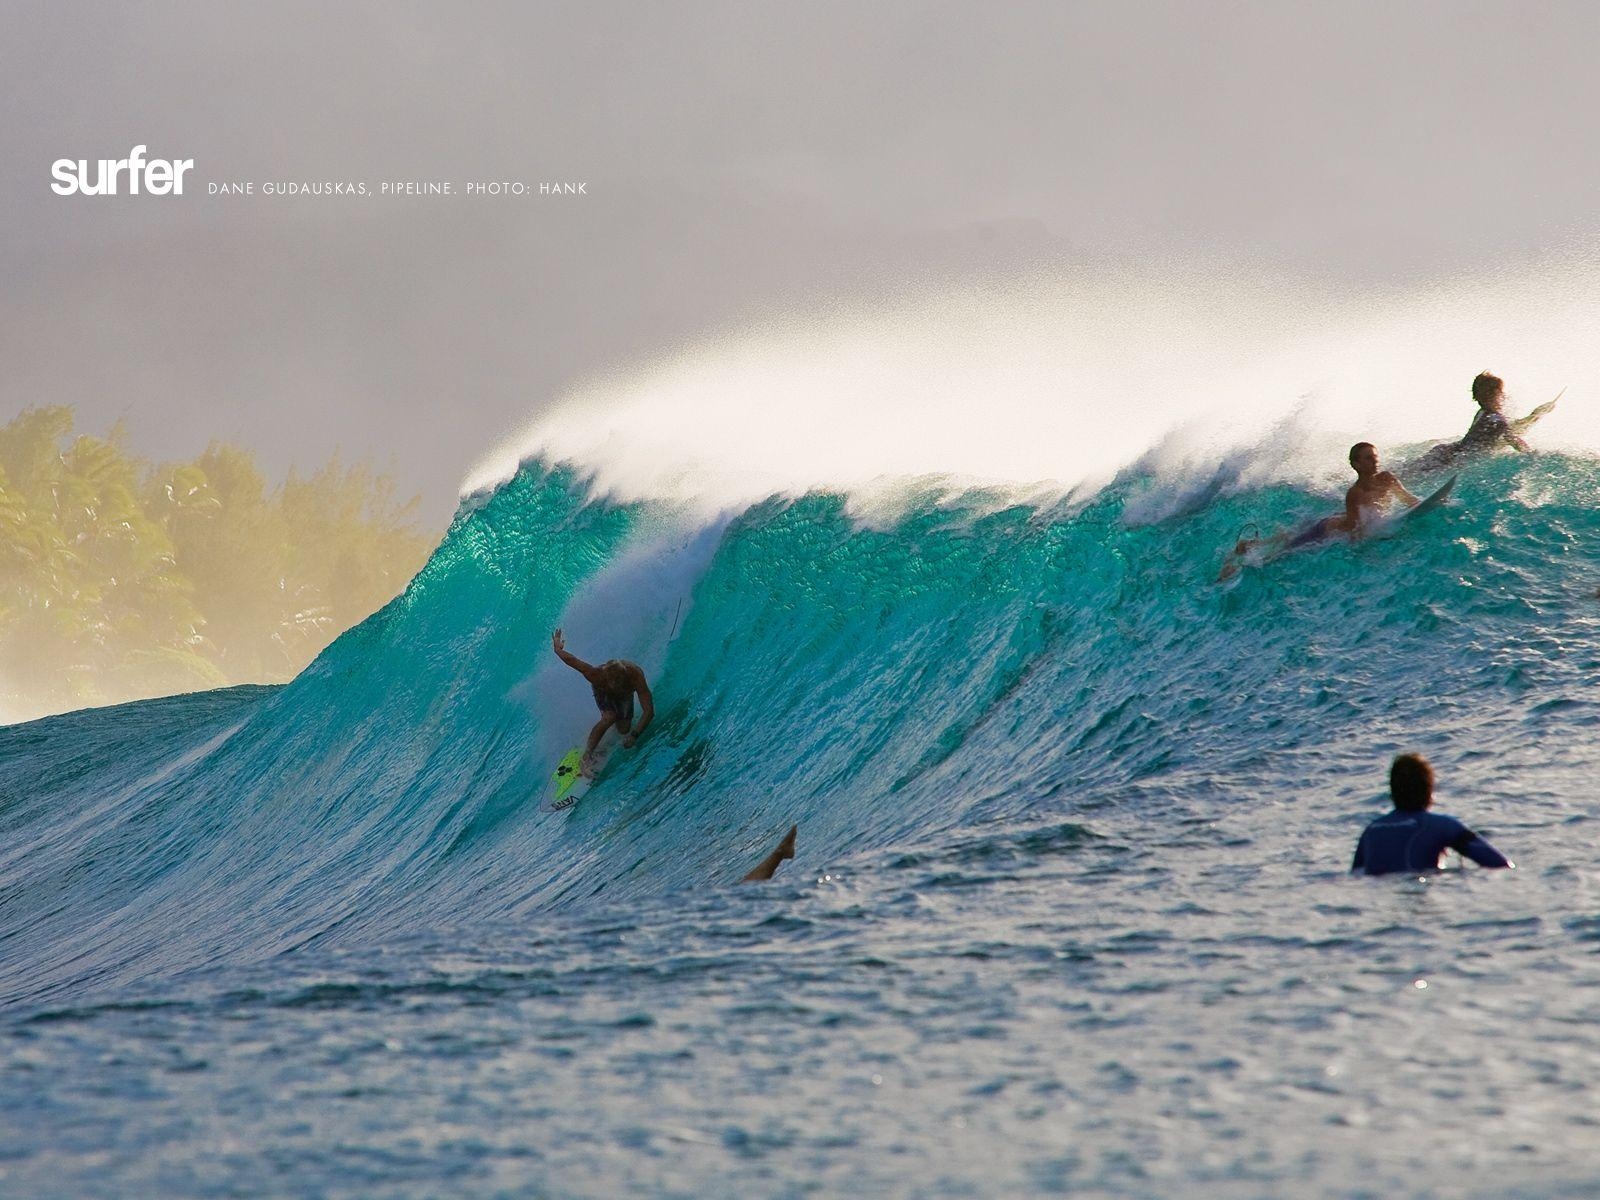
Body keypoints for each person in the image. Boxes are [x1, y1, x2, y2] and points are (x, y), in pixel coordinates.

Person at [1219, 442, 1419, 579]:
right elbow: (1353, 528)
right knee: (1281, 555)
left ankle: (1253, 544)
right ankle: (1237, 563)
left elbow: (1408, 500)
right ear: (1356, 464)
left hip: (1336, 520)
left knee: (1288, 539)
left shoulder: (1387, 479)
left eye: (1375, 457)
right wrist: (1366, 549)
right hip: (1324, 531)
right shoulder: (1355, 493)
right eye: (1368, 458)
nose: (1374, 461)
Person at [1351, 753, 1512, 875]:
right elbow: (1498, 864)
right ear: (1429, 791)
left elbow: (1356, 876)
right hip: (1419, 891)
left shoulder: (1372, 831)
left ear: (1392, 791)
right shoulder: (1441, 826)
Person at [551, 629, 654, 769]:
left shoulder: (635, 676)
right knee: (609, 717)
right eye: (613, 681)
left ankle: (609, 730)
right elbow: (571, 660)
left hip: (625, 695)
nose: (615, 684)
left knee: (624, 730)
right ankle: (587, 754)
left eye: (619, 681)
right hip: (602, 692)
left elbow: (649, 711)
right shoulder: (595, 675)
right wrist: (558, 648)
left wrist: (634, 735)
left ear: (625, 675)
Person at [1415, 371, 1556, 469]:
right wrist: (1532, 456)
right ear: (1494, 394)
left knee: (1412, 472)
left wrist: (1534, 416)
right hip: (1456, 457)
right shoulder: (1495, 419)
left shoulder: (1483, 413)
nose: (1503, 395)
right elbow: (1512, 439)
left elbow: (1503, 431)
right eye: (1501, 392)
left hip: (1451, 452)